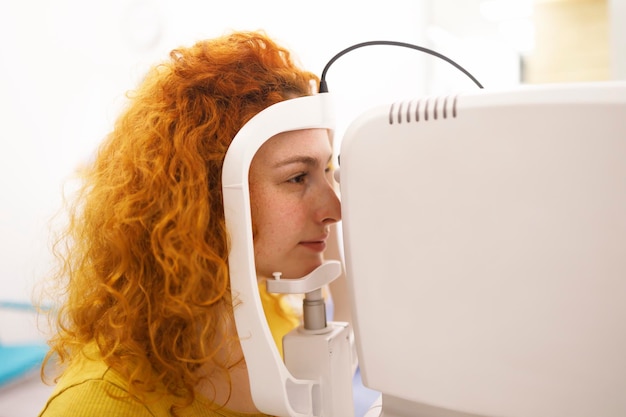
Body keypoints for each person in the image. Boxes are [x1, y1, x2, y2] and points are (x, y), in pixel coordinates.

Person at [38, 30, 343, 416]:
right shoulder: (99, 404)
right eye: (298, 177)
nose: (335, 208)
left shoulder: (268, 315)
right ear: (208, 196)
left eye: (328, 170)